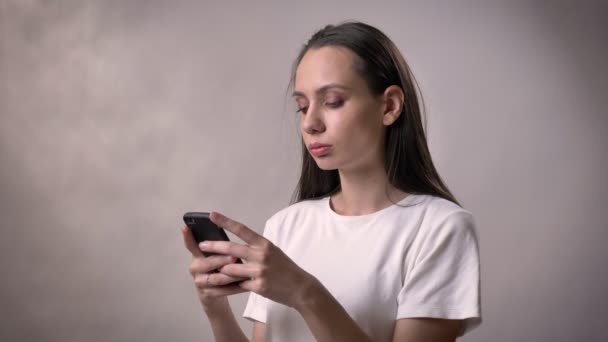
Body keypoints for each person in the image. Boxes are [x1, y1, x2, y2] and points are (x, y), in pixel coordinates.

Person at [181, 21, 481, 342]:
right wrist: (216, 309)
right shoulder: (286, 226)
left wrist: (303, 291)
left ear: (390, 106)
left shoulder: (440, 228)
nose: (310, 123)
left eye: (333, 101)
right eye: (302, 107)